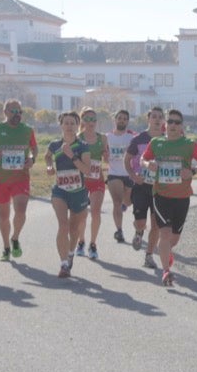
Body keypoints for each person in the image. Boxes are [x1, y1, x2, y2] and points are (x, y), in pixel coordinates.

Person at [141, 109, 197, 287]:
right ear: (165, 124)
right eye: (170, 121)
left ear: (182, 126)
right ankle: (166, 272)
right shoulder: (156, 143)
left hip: (182, 197)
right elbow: (143, 159)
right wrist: (149, 164)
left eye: (177, 122)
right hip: (161, 194)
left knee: (174, 239)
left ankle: (166, 254)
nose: (172, 125)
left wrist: (192, 171)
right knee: (164, 233)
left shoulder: (189, 144)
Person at [0, 99, 37, 262]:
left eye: (19, 112)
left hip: (21, 178)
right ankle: (6, 247)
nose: (17, 115)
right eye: (13, 111)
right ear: (5, 112)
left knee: (21, 210)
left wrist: (32, 159)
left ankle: (15, 238)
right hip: (1, 179)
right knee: (4, 216)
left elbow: (34, 148)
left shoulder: (28, 130)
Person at [45, 111, 93, 279]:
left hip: (78, 192)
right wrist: (49, 167)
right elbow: (47, 157)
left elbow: (87, 170)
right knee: (63, 225)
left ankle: (71, 252)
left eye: (73, 123)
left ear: (77, 126)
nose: (69, 126)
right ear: (61, 125)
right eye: (66, 123)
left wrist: (72, 156)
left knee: (74, 229)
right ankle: (64, 263)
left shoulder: (83, 146)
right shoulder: (54, 145)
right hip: (60, 190)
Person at [125, 107, 165, 269]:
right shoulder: (138, 139)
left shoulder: (167, 140)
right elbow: (127, 160)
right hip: (141, 186)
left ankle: (148, 256)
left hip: (160, 188)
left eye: (159, 117)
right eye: (153, 117)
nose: (156, 120)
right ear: (148, 119)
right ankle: (139, 231)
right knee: (141, 222)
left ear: (163, 121)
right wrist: (133, 176)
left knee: (156, 225)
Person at [76, 108, 108, 260]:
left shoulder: (102, 138)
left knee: (95, 212)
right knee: (82, 214)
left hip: (97, 180)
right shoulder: (78, 138)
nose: (91, 123)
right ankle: (81, 241)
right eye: (87, 119)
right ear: (82, 121)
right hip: (81, 181)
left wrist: (107, 156)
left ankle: (93, 244)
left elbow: (106, 158)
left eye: (93, 120)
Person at [104, 109, 136, 245]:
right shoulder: (107, 137)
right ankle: (119, 230)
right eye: (120, 118)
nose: (122, 120)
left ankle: (124, 204)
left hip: (128, 174)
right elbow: (103, 154)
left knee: (128, 202)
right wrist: (104, 157)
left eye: (125, 118)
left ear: (127, 121)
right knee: (116, 202)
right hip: (114, 173)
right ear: (115, 120)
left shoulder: (132, 138)